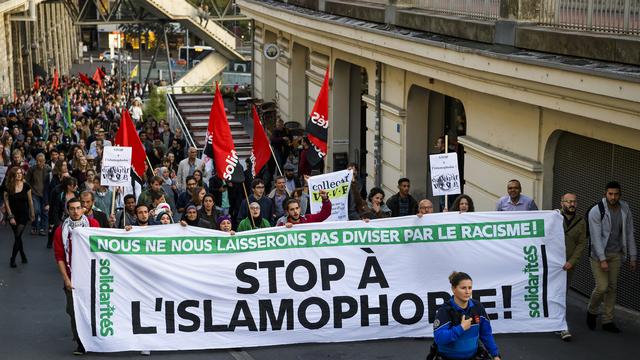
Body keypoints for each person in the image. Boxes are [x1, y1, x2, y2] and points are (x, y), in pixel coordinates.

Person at [587, 181, 636, 333]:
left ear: (620, 195)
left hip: (616, 254)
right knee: (602, 287)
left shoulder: (625, 208)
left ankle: (608, 320)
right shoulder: (596, 211)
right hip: (598, 255)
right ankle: (592, 311)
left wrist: (633, 256)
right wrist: (602, 259)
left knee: (612, 288)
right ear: (605, 194)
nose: (613, 197)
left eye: (616, 194)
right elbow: (595, 238)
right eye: (610, 194)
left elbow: (629, 233)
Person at [52, 198, 100, 355]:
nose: (76, 211)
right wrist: (66, 279)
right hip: (73, 278)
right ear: (67, 210)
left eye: (79, 208)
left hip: (92, 275)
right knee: (73, 311)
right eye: (72, 208)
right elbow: (59, 256)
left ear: (84, 209)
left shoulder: (93, 225)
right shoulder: (61, 231)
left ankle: (96, 339)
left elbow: (105, 242)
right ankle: (80, 342)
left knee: (94, 309)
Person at [432, 271, 501, 360]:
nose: (467, 292)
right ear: (454, 289)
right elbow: (439, 338)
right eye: (463, 288)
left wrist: (495, 355)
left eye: (470, 288)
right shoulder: (445, 311)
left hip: (473, 356)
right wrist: (461, 328)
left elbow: (486, 334)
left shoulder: (478, 307)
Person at [558, 192, 586, 341]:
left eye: (574, 201)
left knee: (562, 295)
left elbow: (581, 244)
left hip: (568, 266)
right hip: (553, 265)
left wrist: (572, 261)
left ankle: (562, 326)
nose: (571, 204)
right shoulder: (554, 218)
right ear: (562, 203)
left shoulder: (581, 222)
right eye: (568, 202)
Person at [3, 167, 35, 267]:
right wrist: (10, 216)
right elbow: (6, 203)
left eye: (20, 173)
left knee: (18, 235)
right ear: (12, 175)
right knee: (18, 236)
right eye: (17, 173)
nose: (19, 175)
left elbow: (30, 201)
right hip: (12, 214)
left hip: (23, 214)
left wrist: (32, 213)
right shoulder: (7, 187)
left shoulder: (26, 186)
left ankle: (12, 259)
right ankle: (22, 254)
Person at [26, 152, 50, 236]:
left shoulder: (48, 169)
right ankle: (34, 226)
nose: (39, 163)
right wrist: (30, 190)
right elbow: (27, 181)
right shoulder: (32, 169)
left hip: (45, 194)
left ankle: (43, 228)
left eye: (41, 161)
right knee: (36, 210)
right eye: (37, 161)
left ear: (44, 161)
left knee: (45, 211)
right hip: (35, 193)